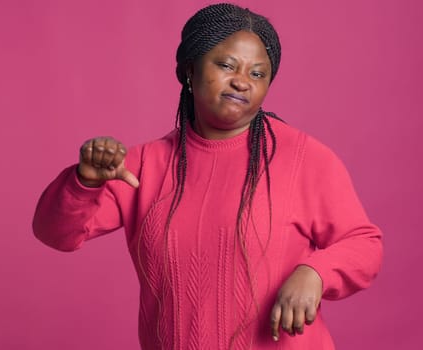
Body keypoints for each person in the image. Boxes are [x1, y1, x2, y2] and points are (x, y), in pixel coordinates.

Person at [32, 3, 383, 349]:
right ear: (190, 68)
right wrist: (85, 182)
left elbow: (364, 244)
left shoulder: (304, 159)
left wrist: (315, 273)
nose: (242, 82)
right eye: (227, 65)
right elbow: (55, 234)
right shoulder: (141, 167)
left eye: (257, 73)